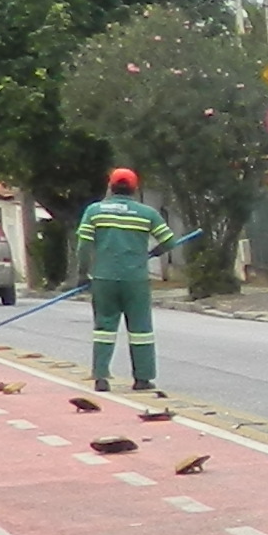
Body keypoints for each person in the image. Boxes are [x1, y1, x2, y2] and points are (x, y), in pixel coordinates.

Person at [74, 168, 173, 400]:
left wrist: (82, 274)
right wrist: (154, 252)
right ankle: (142, 378)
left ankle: (101, 376)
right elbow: (169, 241)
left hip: (104, 278)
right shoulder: (146, 213)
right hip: (135, 280)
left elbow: (83, 246)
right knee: (141, 330)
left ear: (110, 187)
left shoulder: (95, 211)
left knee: (104, 328)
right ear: (134, 188)